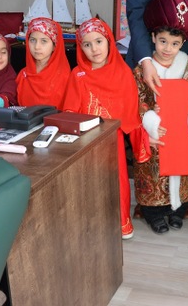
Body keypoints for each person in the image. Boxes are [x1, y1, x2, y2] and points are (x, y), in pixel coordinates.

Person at [63, 18, 149, 240]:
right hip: (85, 140)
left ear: (109, 41)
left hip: (112, 140)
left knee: (116, 181)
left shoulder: (123, 72)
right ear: (80, 48)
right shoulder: (77, 74)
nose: (94, 49)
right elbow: (70, 110)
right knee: (86, 183)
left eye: (99, 41)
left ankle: (122, 223)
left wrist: (140, 139)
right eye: (87, 44)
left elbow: (131, 112)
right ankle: (89, 225)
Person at [134, 0, 188, 234]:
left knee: (183, 172)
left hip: (182, 131)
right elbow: (136, 100)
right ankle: (153, 214)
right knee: (153, 174)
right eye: (163, 41)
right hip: (154, 133)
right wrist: (149, 118)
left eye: (174, 43)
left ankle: (177, 209)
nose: (167, 49)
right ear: (153, 37)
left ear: (183, 43)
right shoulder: (142, 69)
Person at [16, 17, 71, 109]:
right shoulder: (23, 76)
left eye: (44, 41)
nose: (37, 47)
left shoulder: (65, 77)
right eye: (33, 40)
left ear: (54, 46)